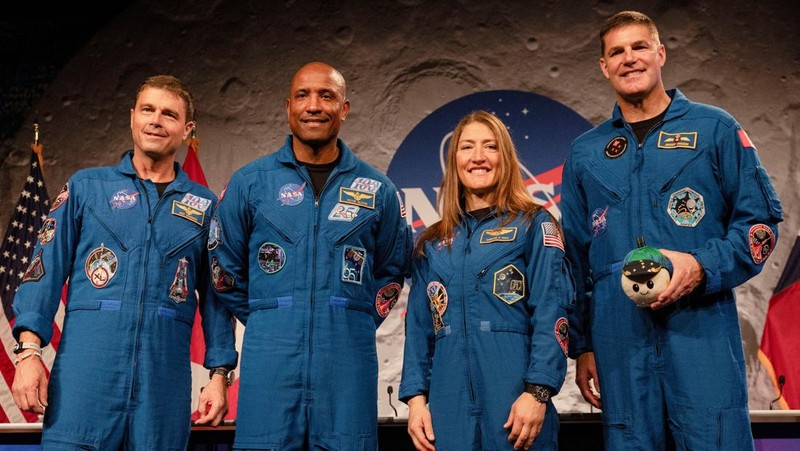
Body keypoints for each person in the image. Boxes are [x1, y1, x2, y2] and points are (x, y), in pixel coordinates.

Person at [561, 10, 784, 450]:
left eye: (639, 46)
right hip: (618, 339)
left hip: (701, 331)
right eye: (616, 52)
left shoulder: (714, 128)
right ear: (603, 67)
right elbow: (574, 258)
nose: (629, 58)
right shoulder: (585, 152)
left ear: (660, 53)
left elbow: (760, 226)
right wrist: (583, 345)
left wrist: (701, 266)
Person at [11, 75, 238, 449]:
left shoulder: (204, 207)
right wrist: (29, 353)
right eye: (148, 110)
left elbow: (218, 300)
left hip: (162, 388)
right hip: (85, 383)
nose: (156, 120)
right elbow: (42, 272)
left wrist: (218, 374)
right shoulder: (87, 189)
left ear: (187, 129)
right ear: (133, 117)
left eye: (169, 114)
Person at [208, 61, 412, 450]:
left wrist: (351, 319)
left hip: (347, 360)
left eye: (327, 95)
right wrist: (271, 314)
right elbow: (223, 267)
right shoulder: (250, 183)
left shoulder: (378, 190)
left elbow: (392, 270)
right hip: (270, 357)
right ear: (288, 107)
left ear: (345, 109)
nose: (314, 105)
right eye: (303, 95)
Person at [400, 110, 574, 451]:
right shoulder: (432, 243)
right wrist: (416, 401)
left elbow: (552, 311)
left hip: (514, 402)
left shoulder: (534, 225)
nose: (478, 157)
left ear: (505, 158)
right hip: (449, 408)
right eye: (467, 148)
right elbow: (419, 331)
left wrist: (537, 392)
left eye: (489, 147)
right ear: (454, 161)